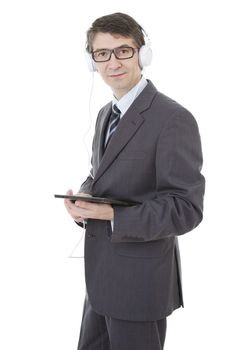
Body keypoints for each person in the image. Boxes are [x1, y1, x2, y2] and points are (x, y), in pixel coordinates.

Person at [64, 12, 205, 350]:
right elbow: (101, 174)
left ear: (142, 53)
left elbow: (186, 209)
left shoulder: (173, 119)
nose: (113, 62)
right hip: (99, 282)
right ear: (92, 61)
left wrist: (112, 214)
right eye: (102, 53)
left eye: (123, 51)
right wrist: (85, 199)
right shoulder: (105, 115)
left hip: (140, 286)